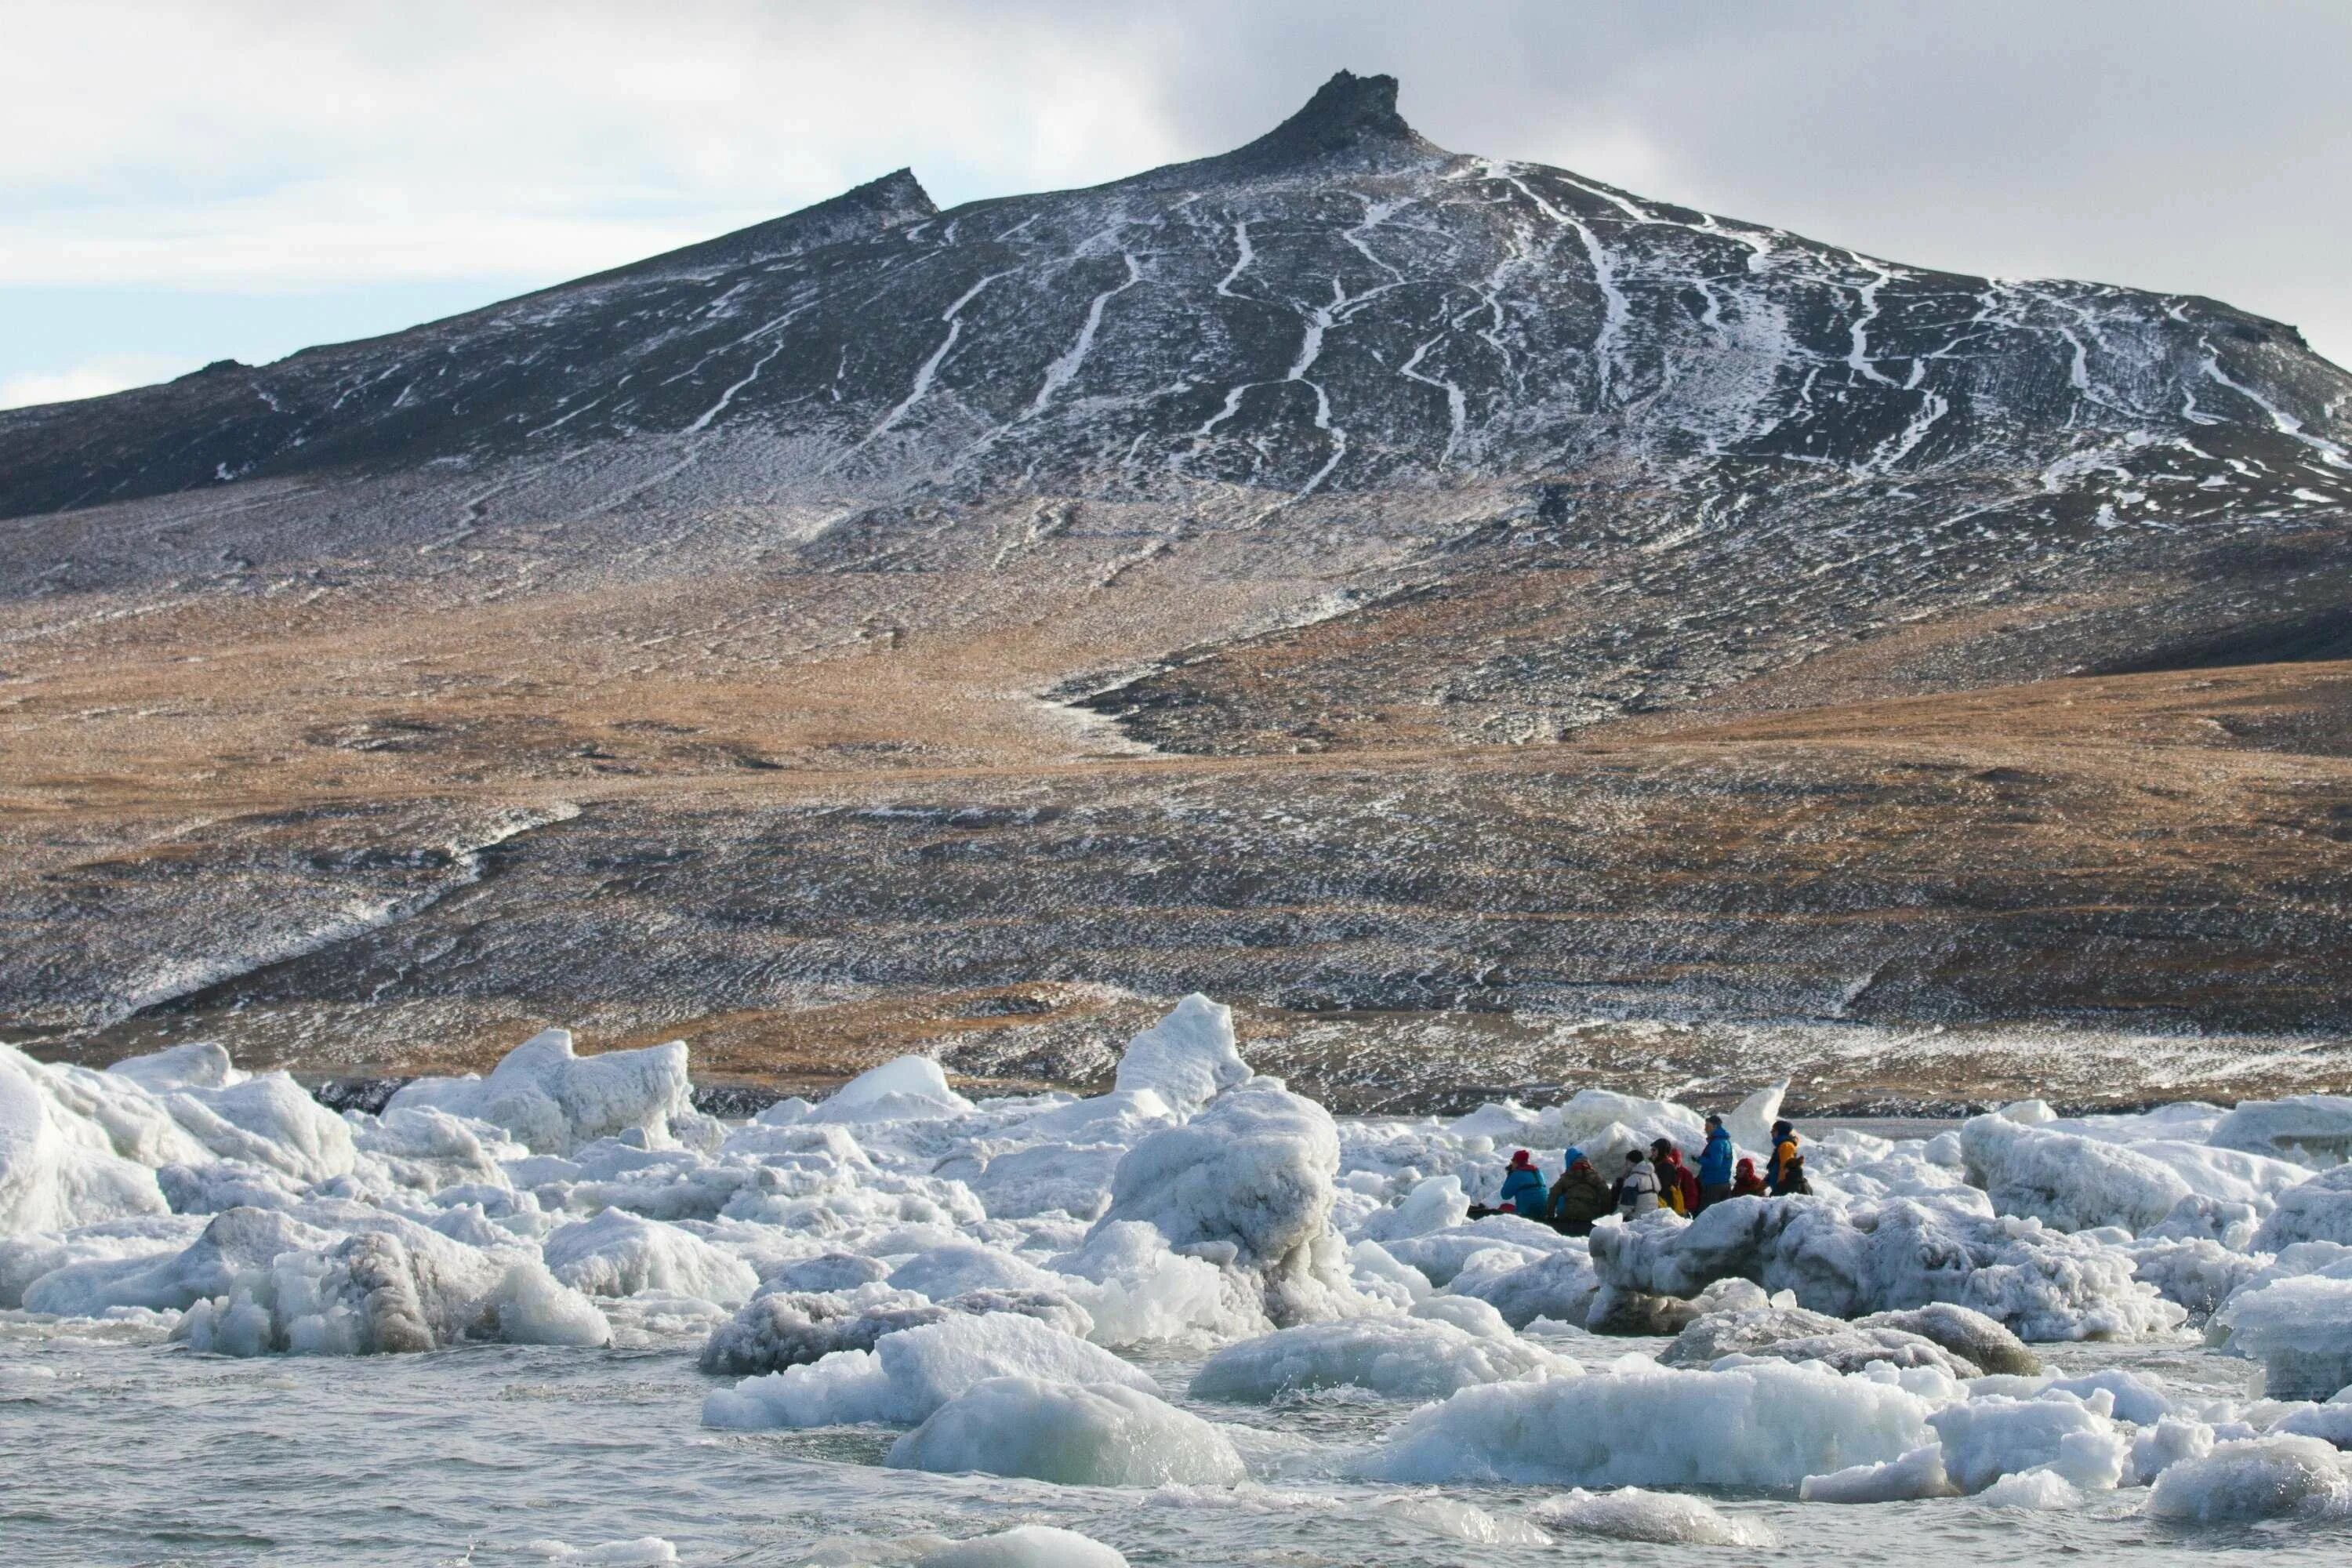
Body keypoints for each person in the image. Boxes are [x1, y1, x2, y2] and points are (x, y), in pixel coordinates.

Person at [1547, 1149, 1613, 1236]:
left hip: (1569, 1214)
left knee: (1562, 1196)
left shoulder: (1569, 1175)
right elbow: (1606, 1194)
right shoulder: (1595, 1176)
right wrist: (1604, 1215)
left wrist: (1550, 1215)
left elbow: (1553, 1194)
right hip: (1590, 1216)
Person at [1695, 1114, 1735, 1212]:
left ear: (1715, 1126)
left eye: (1707, 1126)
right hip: (1724, 1182)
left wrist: (1699, 1159)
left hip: (1713, 1185)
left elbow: (1715, 1163)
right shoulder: (1725, 1141)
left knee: (1706, 1215)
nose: (1705, 1129)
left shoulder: (1717, 1143)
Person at [1651, 1138, 1698, 1217]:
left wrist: (1687, 1208)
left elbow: (1691, 1193)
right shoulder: (1659, 1165)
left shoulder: (1682, 1172)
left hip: (1673, 1208)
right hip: (1669, 1206)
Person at [1612, 1149, 1661, 1218]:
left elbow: (1625, 1208)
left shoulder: (1633, 1180)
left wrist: (1610, 1220)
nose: (1626, 1166)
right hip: (1652, 1218)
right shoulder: (1653, 1176)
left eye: (1627, 1163)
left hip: (1637, 1220)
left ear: (1631, 1162)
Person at [1497, 1149, 1546, 1216]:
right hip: (1543, 1212)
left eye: (1513, 1160)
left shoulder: (1517, 1174)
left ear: (1516, 1162)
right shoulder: (1538, 1171)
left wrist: (1510, 1174)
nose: (1512, 1163)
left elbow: (1505, 1195)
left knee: (1504, 1207)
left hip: (1526, 1214)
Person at [1766, 1120, 1802, 1196]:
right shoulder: (1781, 1145)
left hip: (1782, 1191)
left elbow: (1785, 1169)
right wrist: (1757, 1189)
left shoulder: (1786, 1146)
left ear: (1781, 1132)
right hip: (1779, 1189)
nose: (1771, 1132)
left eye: (1774, 1130)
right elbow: (1774, 1169)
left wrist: (1779, 1190)